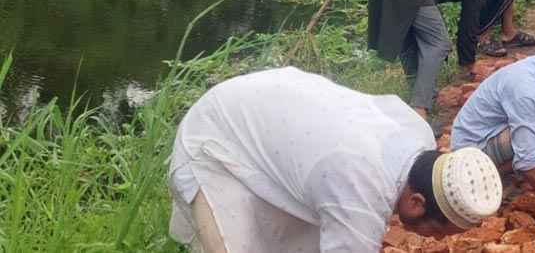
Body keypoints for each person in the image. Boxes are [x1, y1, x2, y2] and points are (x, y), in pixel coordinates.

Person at [168, 67, 502, 252]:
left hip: (275, 124)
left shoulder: (418, 136)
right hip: (220, 141)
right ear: (416, 202)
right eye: (438, 233)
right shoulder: (359, 189)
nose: (437, 242)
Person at [366, 0, 501, 117]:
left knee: (407, 36)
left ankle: (419, 91)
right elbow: (469, 24)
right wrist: (468, 63)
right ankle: (420, 108)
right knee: (439, 43)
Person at [450, 37, 535, 195]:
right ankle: (485, 175)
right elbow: (529, 164)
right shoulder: (528, 92)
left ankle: (502, 171)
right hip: (473, 150)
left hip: (492, 132)